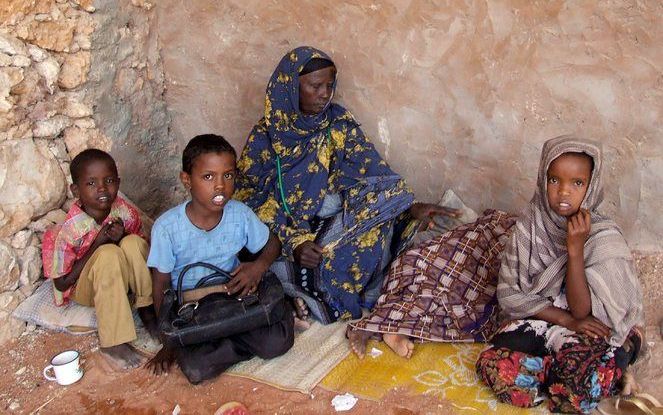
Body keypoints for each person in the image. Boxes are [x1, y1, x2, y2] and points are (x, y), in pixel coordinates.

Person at [235, 46, 457, 325]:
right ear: (291, 86)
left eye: (330, 85)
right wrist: (295, 242)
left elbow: (372, 175)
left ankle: (316, 293)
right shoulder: (267, 136)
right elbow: (248, 198)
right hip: (285, 231)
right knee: (266, 262)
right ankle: (306, 293)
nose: (325, 94)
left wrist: (407, 208)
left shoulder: (338, 123)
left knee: (380, 223)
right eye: (315, 86)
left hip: (337, 224)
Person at [475, 136, 644, 413]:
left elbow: (584, 313)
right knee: (491, 364)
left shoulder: (604, 237)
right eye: (554, 180)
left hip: (591, 328)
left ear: (591, 186)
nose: (564, 192)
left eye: (577, 183)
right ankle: (559, 375)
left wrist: (574, 250)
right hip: (547, 320)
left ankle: (579, 372)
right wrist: (564, 320)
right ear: (543, 180)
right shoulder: (530, 226)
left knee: (577, 385)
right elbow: (509, 296)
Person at [145, 134, 294, 384]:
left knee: (278, 342)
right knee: (195, 370)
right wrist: (169, 339)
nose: (220, 186)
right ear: (186, 180)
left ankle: (223, 344)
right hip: (194, 310)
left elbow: (273, 243)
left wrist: (258, 267)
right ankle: (230, 341)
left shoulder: (240, 214)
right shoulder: (167, 227)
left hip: (232, 297)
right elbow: (160, 286)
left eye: (228, 175)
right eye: (208, 177)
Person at [42, 149, 157, 369]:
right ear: (75, 190)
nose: (102, 189)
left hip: (122, 282)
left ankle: (147, 309)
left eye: (109, 181)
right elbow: (62, 283)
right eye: (91, 184)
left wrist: (124, 236)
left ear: (118, 182)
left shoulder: (124, 212)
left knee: (133, 243)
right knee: (107, 254)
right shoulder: (69, 231)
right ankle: (113, 342)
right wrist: (96, 246)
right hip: (86, 289)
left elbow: (142, 251)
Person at [347, 209, 517, 359]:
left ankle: (391, 328)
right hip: (476, 243)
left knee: (459, 303)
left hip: (490, 271)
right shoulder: (513, 225)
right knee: (426, 271)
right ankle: (379, 327)